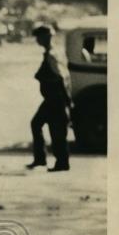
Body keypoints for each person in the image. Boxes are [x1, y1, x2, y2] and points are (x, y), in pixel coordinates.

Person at [27, 23, 72, 172]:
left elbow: (61, 77)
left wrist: (67, 100)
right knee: (38, 124)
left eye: (39, 37)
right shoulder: (53, 53)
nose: (37, 41)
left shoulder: (52, 55)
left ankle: (61, 163)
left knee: (56, 130)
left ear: (46, 37)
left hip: (55, 98)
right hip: (52, 98)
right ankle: (42, 159)